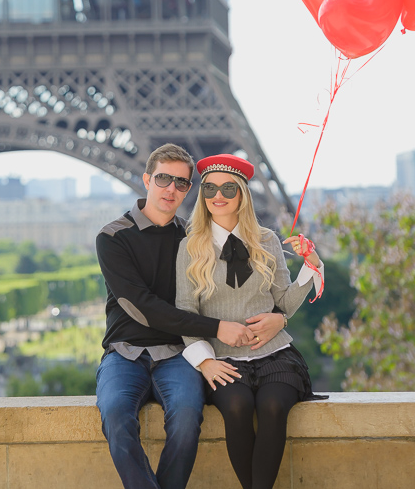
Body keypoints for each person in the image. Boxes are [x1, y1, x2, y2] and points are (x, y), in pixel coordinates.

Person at [95, 143, 286, 489]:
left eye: (181, 182)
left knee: (186, 419)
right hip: (125, 351)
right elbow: (142, 307)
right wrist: (217, 328)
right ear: (147, 180)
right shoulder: (113, 237)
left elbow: (243, 288)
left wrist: (281, 315)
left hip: (179, 353)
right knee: (115, 416)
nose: (171, 189)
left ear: (188, 190)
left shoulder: (196, 239)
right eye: (163, 179)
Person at [175, 153, 326, 489]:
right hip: (222, 359)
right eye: (210, 188)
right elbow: (185, 312)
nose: (218, 196)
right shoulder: (189, 247)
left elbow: (284, 302)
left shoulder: (267, 240)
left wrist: (311, 264)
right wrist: (205, 363)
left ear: (242, 194)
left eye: (228, 188)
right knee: (237, 406)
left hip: (274, 355)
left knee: (273, 406)